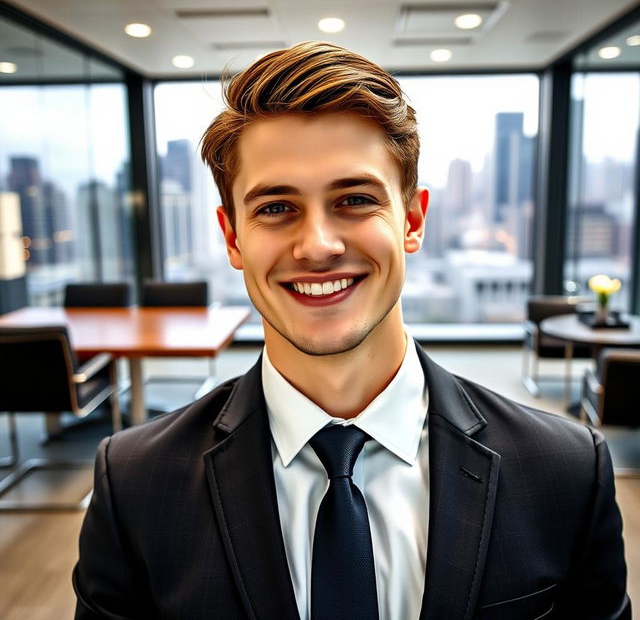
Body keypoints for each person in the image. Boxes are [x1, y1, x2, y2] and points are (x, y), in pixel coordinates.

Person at [73, 41, 630, 620]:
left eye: (355, 199)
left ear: (412, 220)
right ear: (233, 237)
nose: (318, 246)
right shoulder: (134, 483)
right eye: (274, 208)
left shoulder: (565, 469)